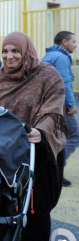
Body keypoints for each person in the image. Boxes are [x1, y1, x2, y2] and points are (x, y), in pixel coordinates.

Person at [0, 31, 65, 241]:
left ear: (26, 51)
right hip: (5, 151)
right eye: (5, 51)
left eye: (15, 51)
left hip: (40, 149)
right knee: (5, 201)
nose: (9, 56)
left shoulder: (47, 75)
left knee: (36, 206)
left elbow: (53, 110)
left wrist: (41, 131)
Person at [42, 31, 78, 187]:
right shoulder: (61, 58)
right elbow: (64, 83)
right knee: (75, 134)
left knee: (58, 136)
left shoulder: (49, 56)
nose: (75, 45)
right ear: (64, 42)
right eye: (74, 41)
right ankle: (56, 168)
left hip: (49, 103)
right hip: (61, 103)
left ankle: (51, 167)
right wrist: (71, 105)